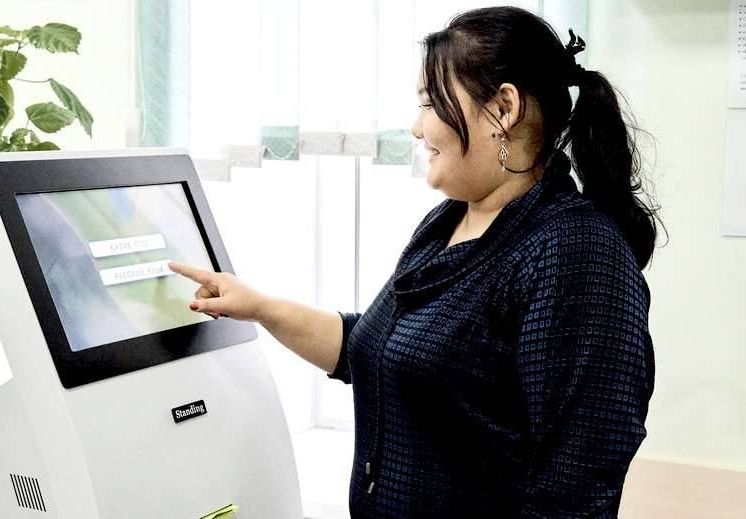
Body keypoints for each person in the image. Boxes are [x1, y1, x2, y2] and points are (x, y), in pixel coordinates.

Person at [169, 6, 660, 517]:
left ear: (503, 108)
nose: (416, 126)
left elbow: (577, 484)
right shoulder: (447, 223)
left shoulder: (576, 253)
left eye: (430, 103)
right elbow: (375, 349)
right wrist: (259, 307)